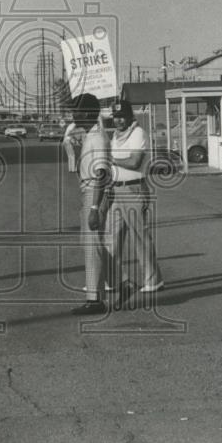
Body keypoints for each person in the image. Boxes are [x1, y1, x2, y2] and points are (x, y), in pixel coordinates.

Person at [105, 98, 164, 305]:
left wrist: (110, 159)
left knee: (139, 237)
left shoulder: (138, 133)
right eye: (115, 117)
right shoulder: (115, 135)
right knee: (112, 238)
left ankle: (153, 279)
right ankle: (113, 279)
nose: (118, 121)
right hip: (116, 189)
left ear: (130, 116)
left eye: (122, 116)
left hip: (134, 188)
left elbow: (135, 161)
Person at [65, 93, 112, 316]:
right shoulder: (90, 136)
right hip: (89, 192)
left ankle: (95, 301)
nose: (73, 114)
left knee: (93, 247)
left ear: (87, 113)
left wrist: (94, 208)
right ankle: (107, 289)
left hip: (94, 192)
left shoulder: (97, 138)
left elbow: (101, 174)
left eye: (77, 110)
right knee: (90, 245)